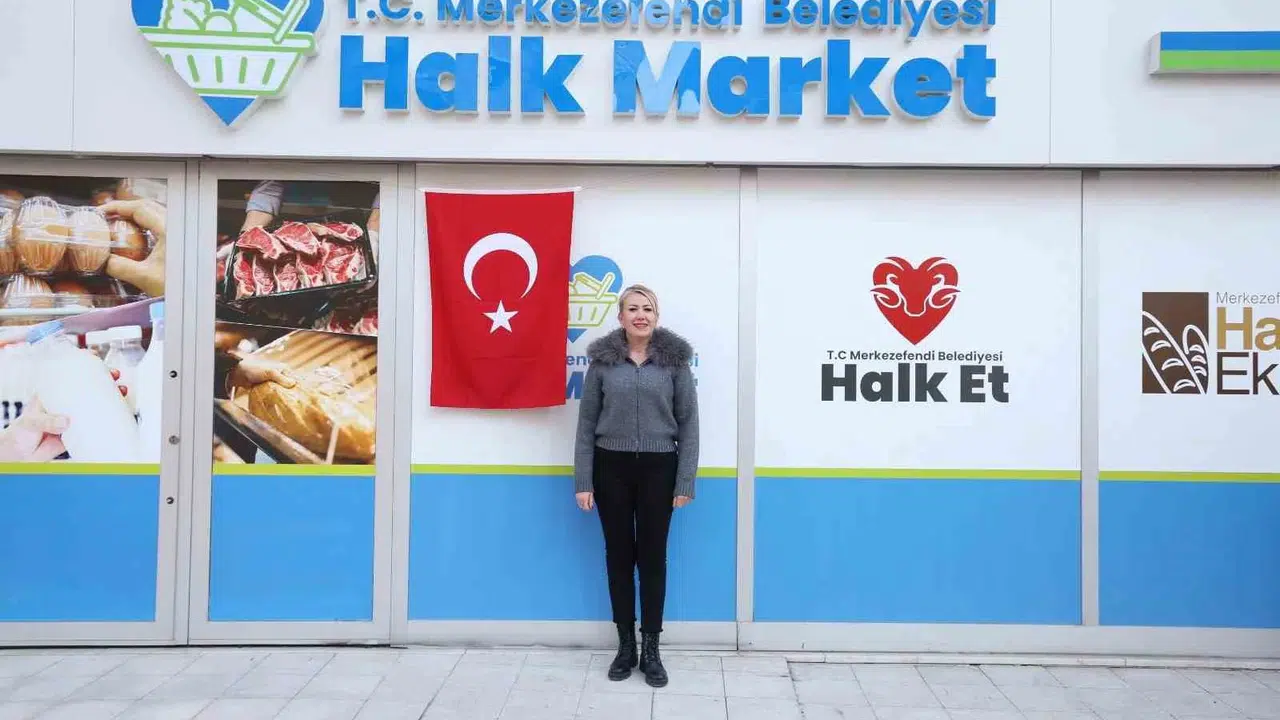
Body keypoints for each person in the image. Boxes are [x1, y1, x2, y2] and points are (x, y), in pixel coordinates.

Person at [573, 284, 699, 688]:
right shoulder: (603, 363)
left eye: (647, 309)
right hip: (611, 466)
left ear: (656, 316)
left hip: (660, 469)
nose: (640, 315)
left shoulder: (675, 362)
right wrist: (584, 480)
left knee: (653, 558)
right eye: (632, 308)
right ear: (621, 316)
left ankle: (651, 649)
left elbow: (689, 424)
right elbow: (586, 425)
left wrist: (685, 479)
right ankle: (625, 645)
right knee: (619, 557)